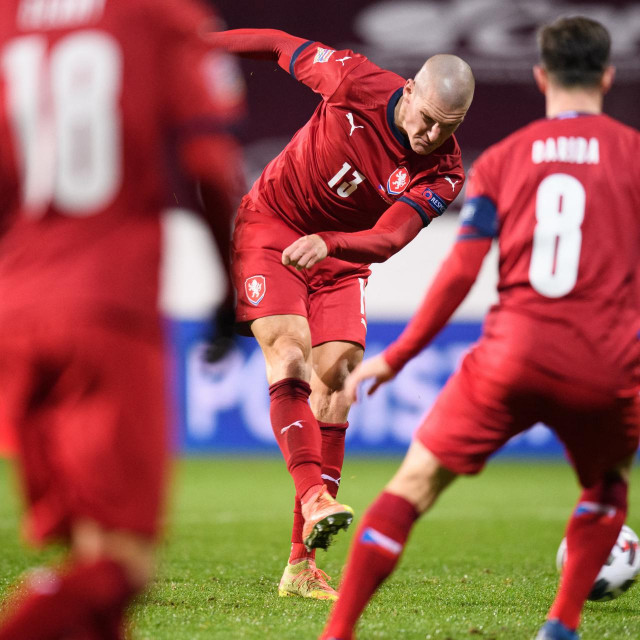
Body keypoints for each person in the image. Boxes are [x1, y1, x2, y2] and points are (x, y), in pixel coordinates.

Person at [320, 15, 640, 640]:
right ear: (605, 76)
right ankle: (562, 624)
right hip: (603, 361)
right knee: (606, 486)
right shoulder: (634, 156)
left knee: (412, 485)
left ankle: (338, 634)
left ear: (540, 75)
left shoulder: (500, 161)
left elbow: (458, 275)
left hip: (510, 354)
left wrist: (398, 356)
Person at [0, 0, 244, 637]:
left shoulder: (7, 21)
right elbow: (210, 167)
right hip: (111, 307)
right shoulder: (159, 16)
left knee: (89, 550)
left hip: (19, 307)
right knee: (125, 563)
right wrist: (228, 288)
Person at [211, 28, 474, 600]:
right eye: (426, 118)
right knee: (290, 352)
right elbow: (277, 44)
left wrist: (330, 244)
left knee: (337, 381)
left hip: (339, 254)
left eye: (446, 128)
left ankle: (301, 567)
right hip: (272, 228)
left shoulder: (445, 173)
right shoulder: (352, 79)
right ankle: (314, 496)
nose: (431, 136)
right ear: (408, 90)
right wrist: (199, 44)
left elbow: (384, 239)